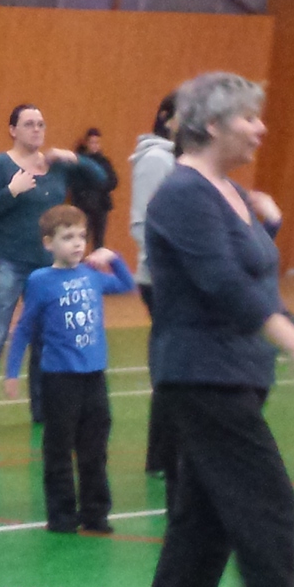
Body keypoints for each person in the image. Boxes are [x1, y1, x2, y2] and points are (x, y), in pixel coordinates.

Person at [136, 72, 294, 587]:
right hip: (204, 380)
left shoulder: (229, 194)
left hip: (237, 375)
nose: (261, 128)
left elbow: (261, 288)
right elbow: (226, 286)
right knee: (269, 514)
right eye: (249, 117)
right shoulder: (182, 194)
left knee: (200, 536)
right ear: (212, 125)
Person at [0, 104, 110, 429]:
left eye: (41, 124)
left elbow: (103, 180)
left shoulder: (56, 166)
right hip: (7, 260)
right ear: (13, 130)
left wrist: (76, 158)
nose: (37, 129)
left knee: (46, 336)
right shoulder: (1, 164)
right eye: (29, 124)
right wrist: (11, 191)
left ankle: (43, 408)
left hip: (46, 268)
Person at [3, 205, 134, 533]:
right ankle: (61, 515)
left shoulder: (91, 275)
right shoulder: (40, 281)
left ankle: (96, 512)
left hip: (94, 376)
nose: (77, 243)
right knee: (59, 449)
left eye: (81, 236)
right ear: (49, 243)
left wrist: (113, 257)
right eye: (67, 237)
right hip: (60, 379)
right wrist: (11, 371)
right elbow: (24, 327)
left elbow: (126, 284)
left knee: (94, 448)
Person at [129, 93, 179, 481]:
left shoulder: (181, 159)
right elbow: (142, 223)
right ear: (166, 117)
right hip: (161, 278)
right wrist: (166, 266)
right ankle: (162, 455)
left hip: (177, 276)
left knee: (177, 361)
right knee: (170, 362)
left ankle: (168, 452)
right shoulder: (157, 160)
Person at [69, 128, 118, 248]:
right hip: (84, 206)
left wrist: (100, 185)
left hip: (101, 206)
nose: (95, 146)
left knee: (99, 241)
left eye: (97, 142)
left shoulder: (104, 162)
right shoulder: (80, 162)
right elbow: (75, 183)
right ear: (87, 143)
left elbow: (113, 181)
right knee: (81, 238)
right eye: (92, 142)